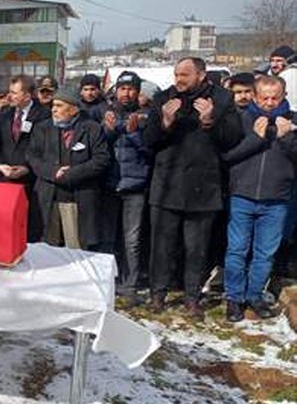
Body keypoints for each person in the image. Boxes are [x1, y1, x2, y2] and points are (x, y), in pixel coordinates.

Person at [143, 57, 243, 318]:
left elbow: (232, 140)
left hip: (203, 187)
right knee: (161, 246)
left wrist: (210, 121)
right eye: (176, 74)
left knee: (196, 248)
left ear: (201, 75)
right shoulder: (164, 98)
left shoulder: (222, 99)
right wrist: (165, 121)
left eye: (185, 75)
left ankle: (191, 298)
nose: (179, 79)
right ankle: (157, 295)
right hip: (166, 185)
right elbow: (147, 140)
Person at [222, 76, 297, 322]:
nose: (269, 102)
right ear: (255, 97)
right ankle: (234, 298)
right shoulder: (241, 119)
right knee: (237, 250)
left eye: (274, 97)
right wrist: (256, 138)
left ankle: (254, 295)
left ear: (283, 96)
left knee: (264, 254)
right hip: (243, 195)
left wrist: (286, 139)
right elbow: (227, 156)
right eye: (264, 97)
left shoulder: (293, 121)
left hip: (276, 200)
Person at [27, 87, 110, 250]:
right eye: (53, 105)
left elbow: (101, 159)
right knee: (47, 251)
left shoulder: (91, 128)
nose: (54, 110)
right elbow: (32, 157)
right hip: (48, 199)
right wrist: (53, 172)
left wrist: (72, 173)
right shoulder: (42, 128)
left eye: (59, 106)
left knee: (76, 249)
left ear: (73, 109)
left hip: (77, 199)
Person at [101, 71, 152, 301]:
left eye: (131, 89)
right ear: (116, 91)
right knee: (108, 237)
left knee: (131, 239)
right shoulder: (105, 114)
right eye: (123, 88)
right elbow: (97, 148)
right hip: (109, 185)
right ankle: (106, 280)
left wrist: (134, 135)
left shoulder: (147, 117)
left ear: (137, 92)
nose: (126, 93)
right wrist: (108, 132)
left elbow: (151, 151)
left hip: (135, 186)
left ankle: (130, 284)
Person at [0, 75, 50, 241]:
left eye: (14, 93)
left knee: (28, 234)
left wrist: (27, 168)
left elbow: (46, 149)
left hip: (31, 183)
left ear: (27, 95)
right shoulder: (4, 115)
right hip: (5, 180)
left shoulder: (45, 115)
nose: (9, 96)